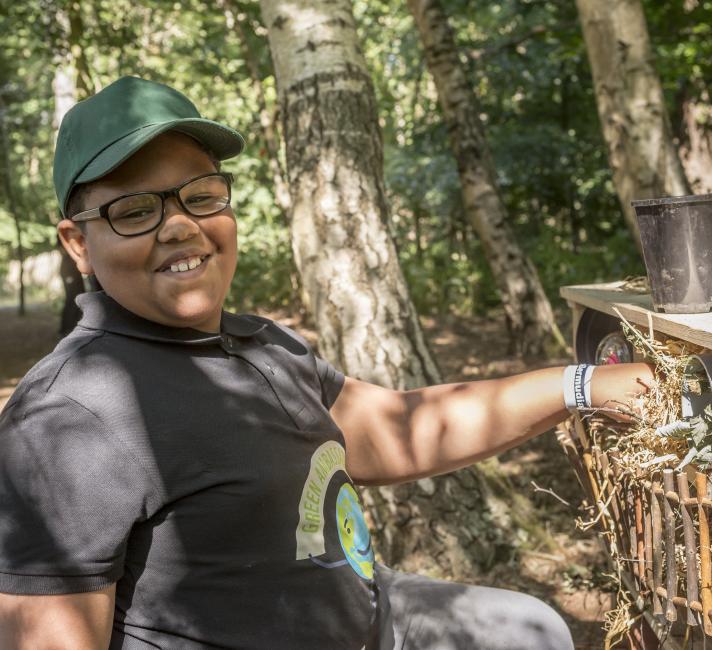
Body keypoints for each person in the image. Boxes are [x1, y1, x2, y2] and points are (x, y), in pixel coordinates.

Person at [0, 77, 654, 650]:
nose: (179, 226)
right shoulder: (69, 420)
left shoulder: (258, 344)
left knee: (527, 631)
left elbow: (396, 428)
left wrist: (582, 384)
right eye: (136, 210)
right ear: (78, 244)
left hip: (375, 619)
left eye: (199, 195)